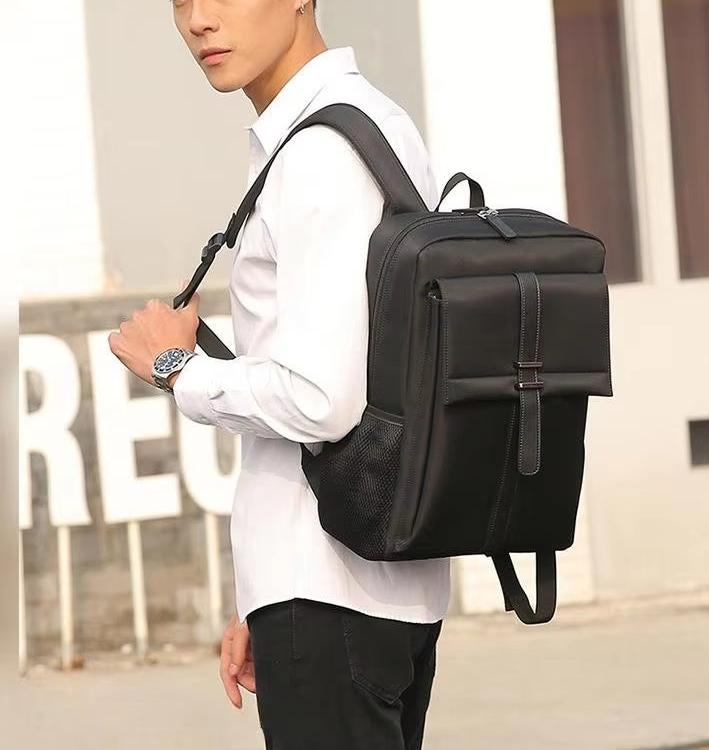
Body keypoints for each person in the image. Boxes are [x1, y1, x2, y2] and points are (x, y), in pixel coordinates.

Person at [108, 2, 451, 747]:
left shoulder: (319, 155)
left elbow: (321, 399)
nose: (199, 20)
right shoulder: (378, 123)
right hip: (371, 584)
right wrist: (264, 594)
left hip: (329, 595)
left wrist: (176, 368)